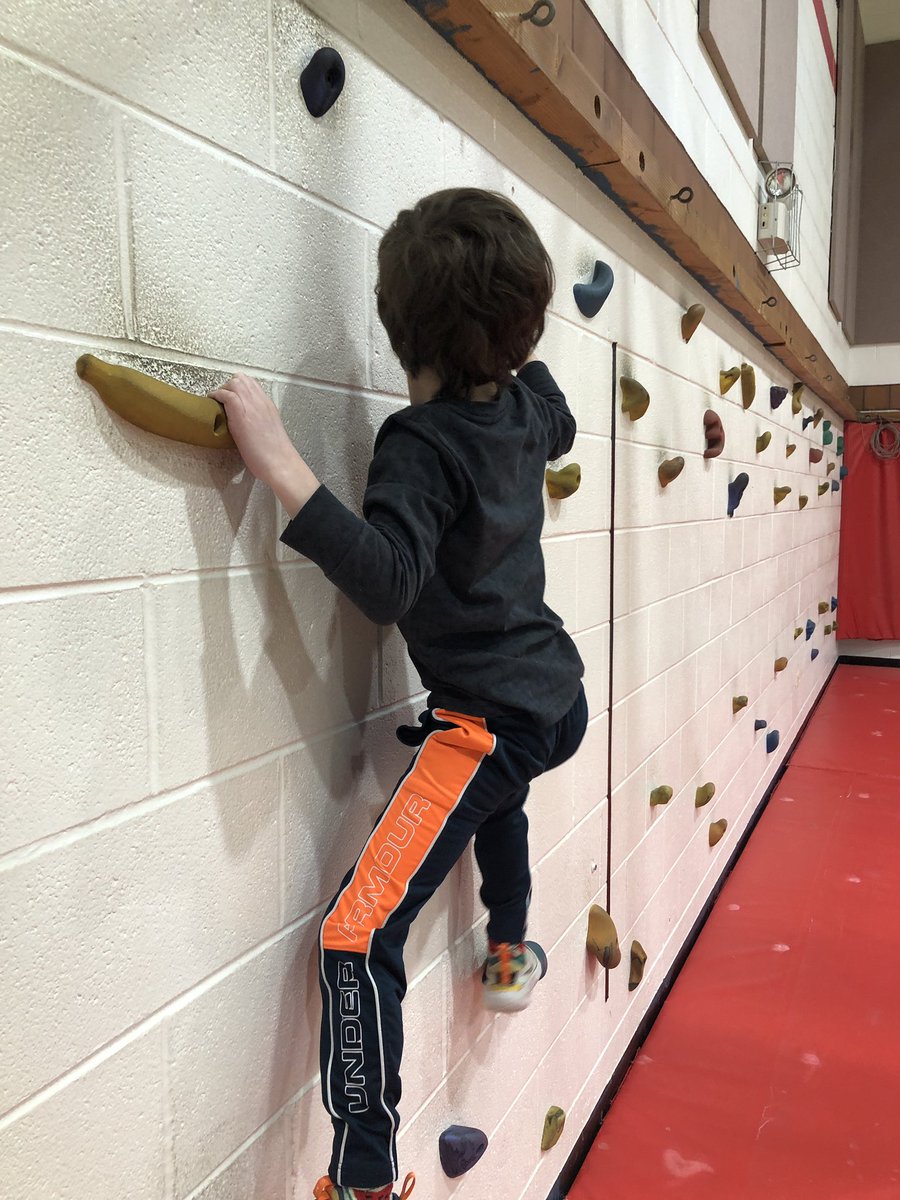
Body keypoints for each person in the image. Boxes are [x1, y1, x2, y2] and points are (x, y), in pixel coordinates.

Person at [212, 188, 587, 1200]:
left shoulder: (420, 441)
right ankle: (509, 943)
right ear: (518, 327)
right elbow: (559, 417)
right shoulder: (524, 407)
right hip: (556, 697)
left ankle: (364, 1176)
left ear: (397, 326)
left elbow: (386, 582)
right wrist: (523, 353)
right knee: (497, 797)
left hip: (490, 721)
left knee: (354, 933)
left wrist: (282, 466)